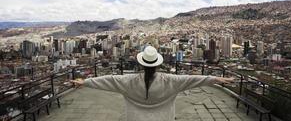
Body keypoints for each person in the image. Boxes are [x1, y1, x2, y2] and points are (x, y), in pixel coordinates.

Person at [71, 46, 234, 121]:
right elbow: (191, 79)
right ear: (158, 64)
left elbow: (107, 80)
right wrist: (215, 79)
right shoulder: (170, 80)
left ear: (142, 64)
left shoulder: (128, 81)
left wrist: (84, 82)